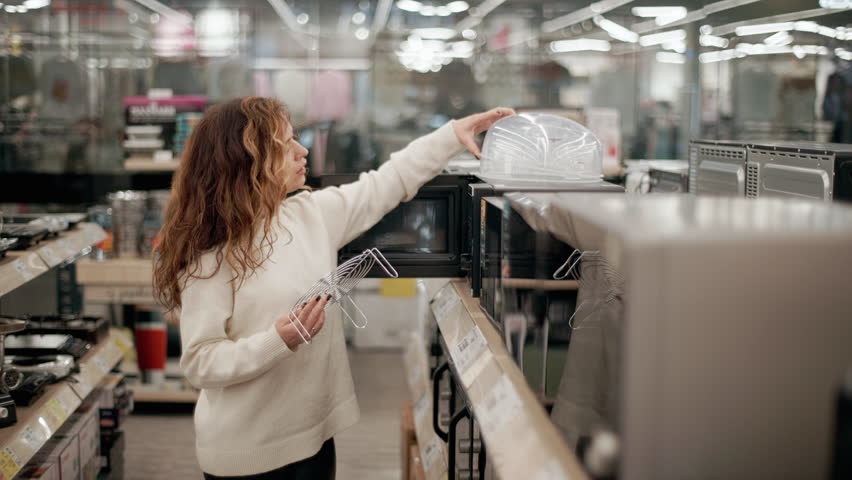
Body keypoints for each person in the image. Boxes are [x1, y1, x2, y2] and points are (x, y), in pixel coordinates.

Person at [152, 96, 513, 479]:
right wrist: (278, 340)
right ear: (247, 159)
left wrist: (452, 135)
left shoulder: (310, 215)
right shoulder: (210, 253)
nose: (302, 150)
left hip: (314, 439)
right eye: (285, 144)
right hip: (247, 453)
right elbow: (199, 362)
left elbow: (388, 183)